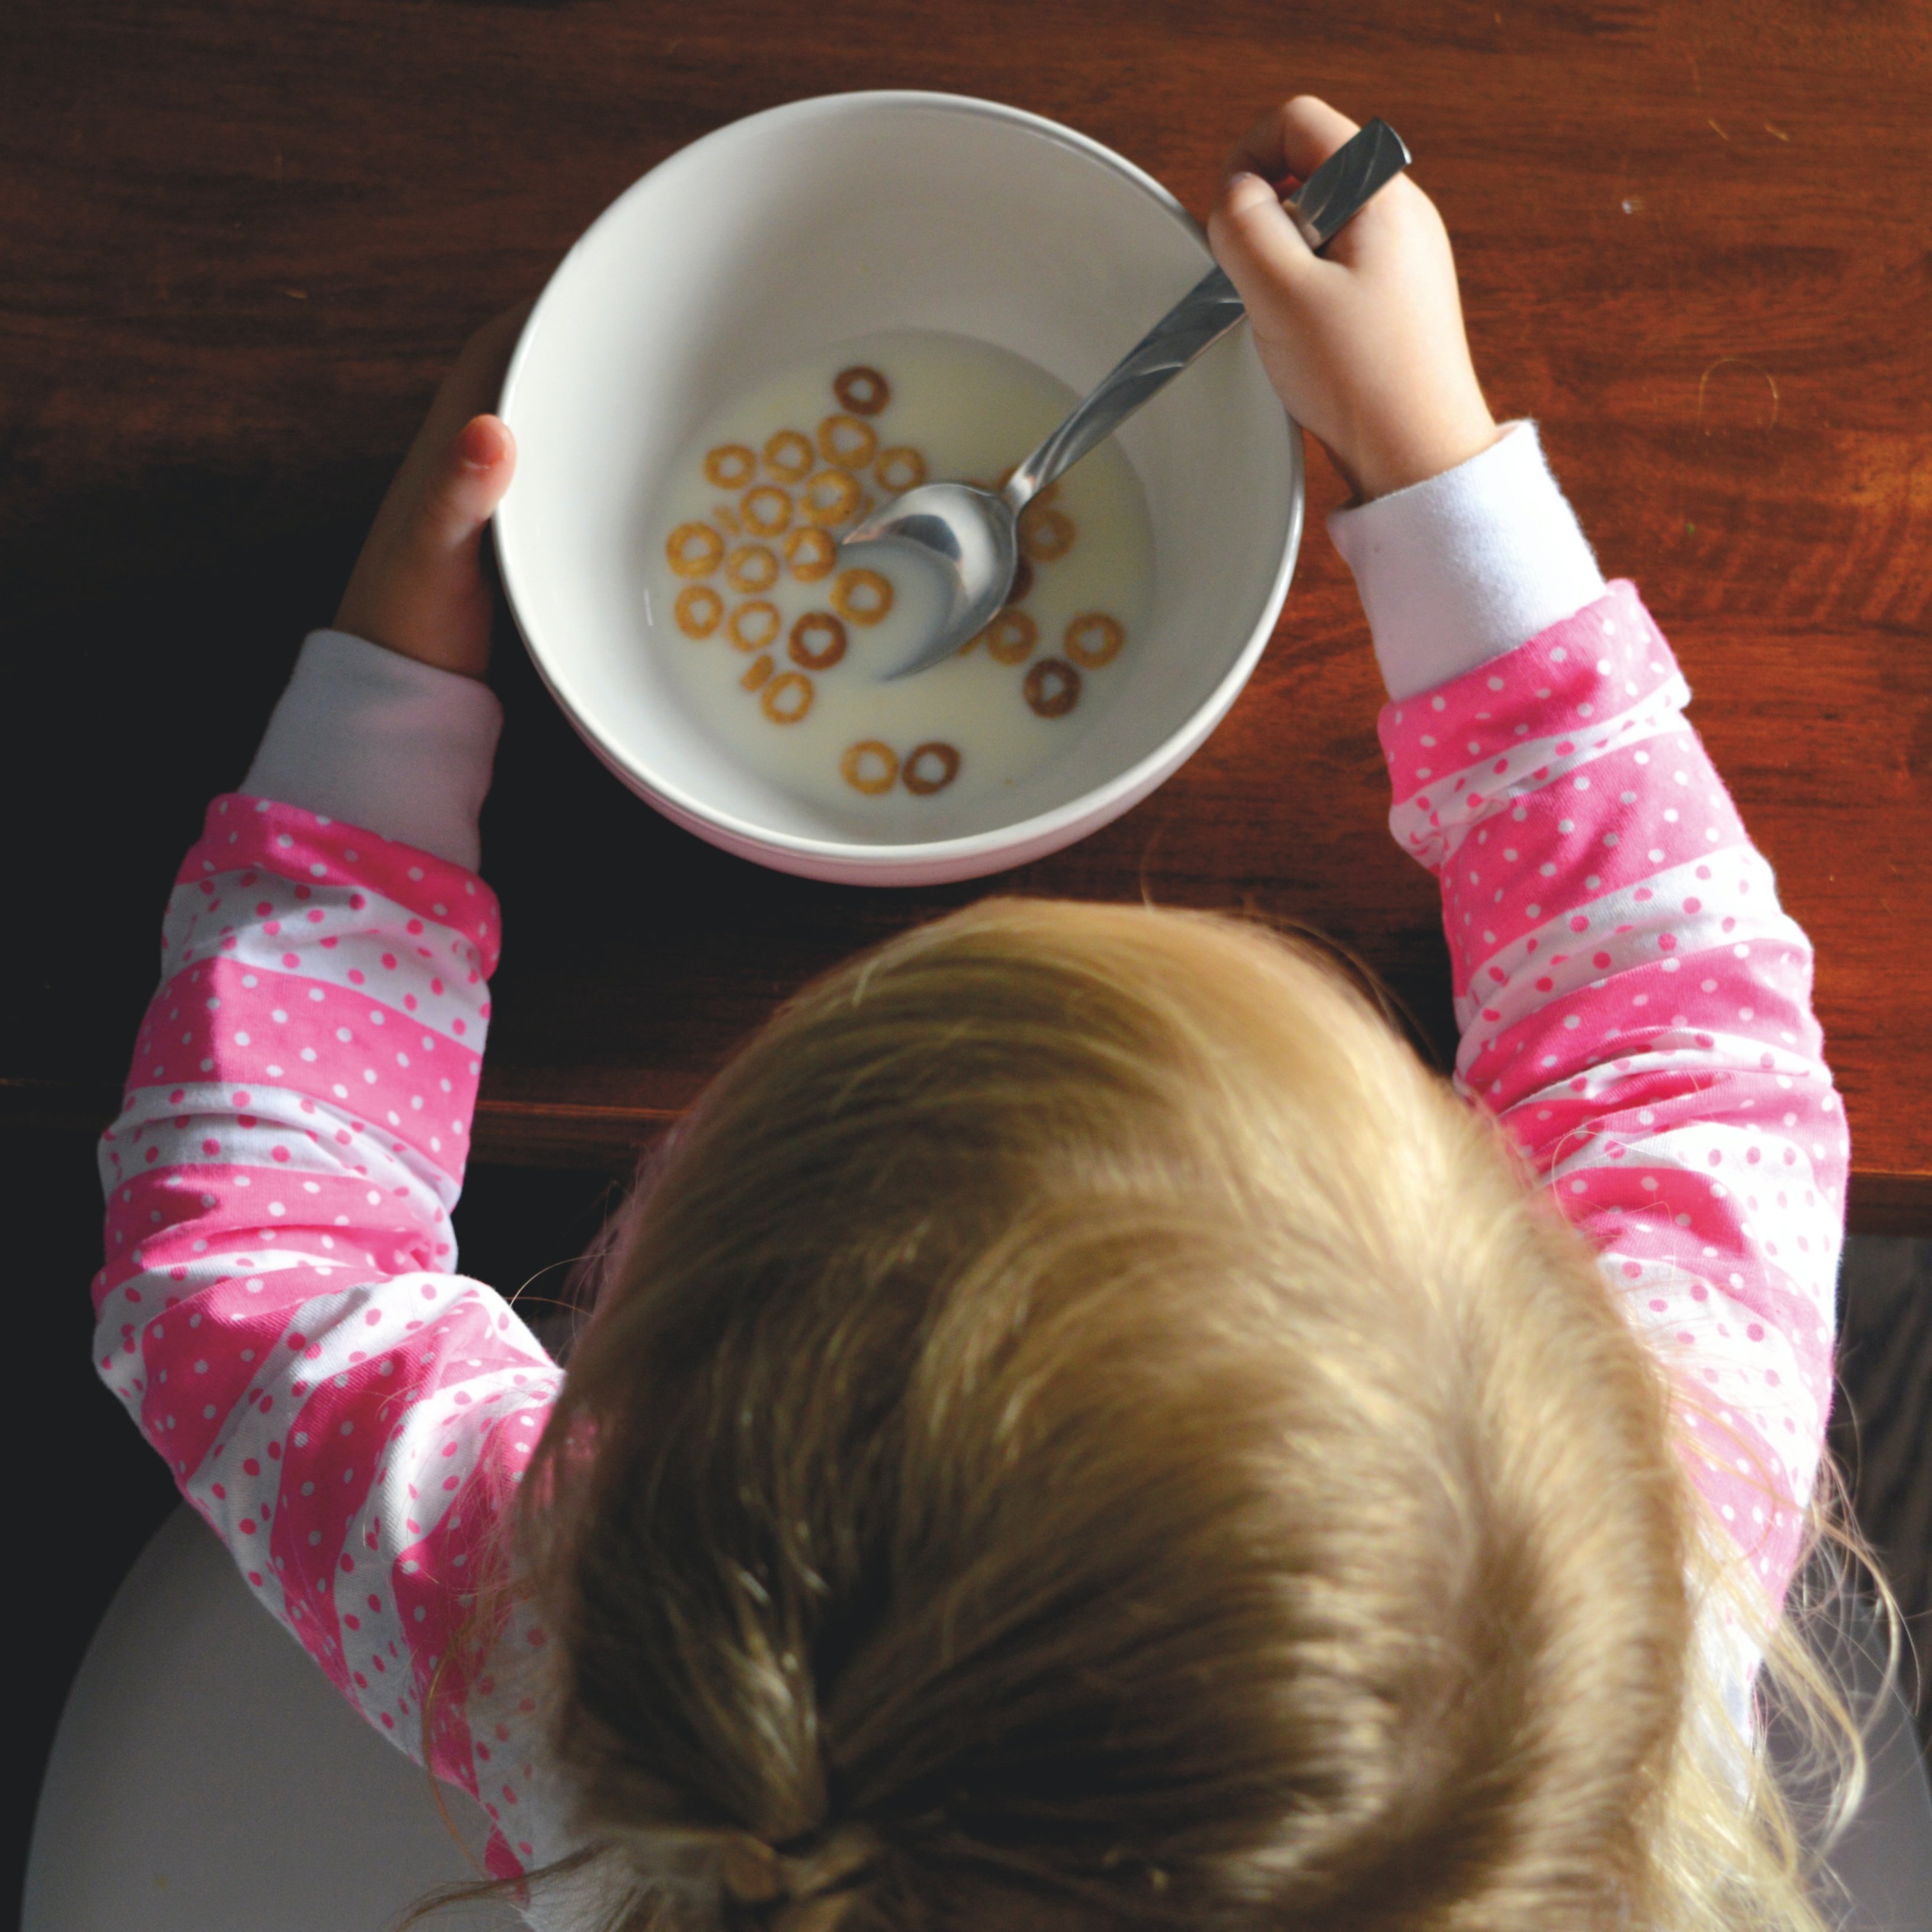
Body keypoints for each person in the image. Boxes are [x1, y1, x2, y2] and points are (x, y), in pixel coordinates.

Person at [92, 95, 1869, 1932]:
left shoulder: (569, 1658)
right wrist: (1434, 460)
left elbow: (242, 1262)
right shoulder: (1632, 1610)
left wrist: (383, 705)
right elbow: (1678, 1044)